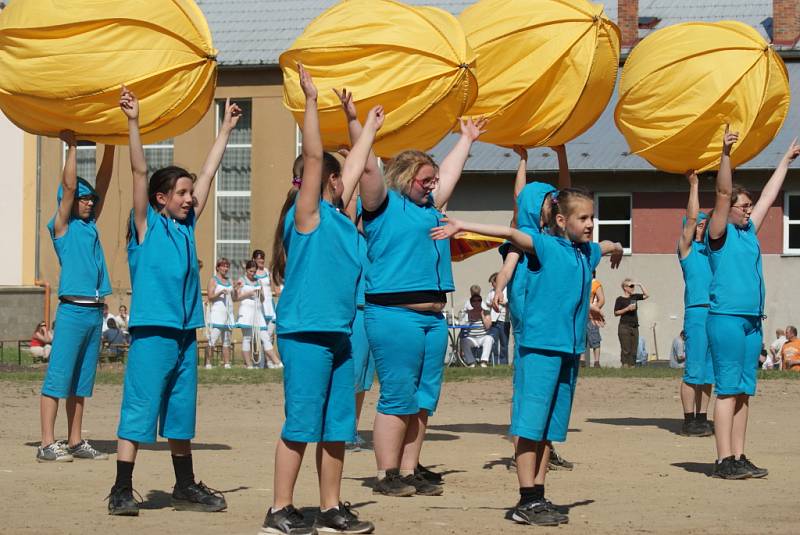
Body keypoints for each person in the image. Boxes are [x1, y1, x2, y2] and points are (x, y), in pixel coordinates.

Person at [431, 187, 623, 526]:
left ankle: (539, 493)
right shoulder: (546, 246)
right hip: (539, 349)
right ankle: (525, 499)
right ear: (562, 220)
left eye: (593, 217)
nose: (591, 223)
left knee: (547, 428)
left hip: (569, 351)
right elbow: (509, 233)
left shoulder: (585, 253)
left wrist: (617, 247)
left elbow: (603, 248)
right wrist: (462, 225)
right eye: (584, 218)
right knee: (529, 425)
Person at [108, 86, 240, 515]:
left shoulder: (185, 229)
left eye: (190, 194)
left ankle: (184, 486)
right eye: (181, 194)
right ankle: (121, 490)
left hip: (185, 335)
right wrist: (133, 122)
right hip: (152, 335)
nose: (189, 198)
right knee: (140, 410)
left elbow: (208, 171)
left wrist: (226, 129)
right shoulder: (146, 228)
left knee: (181, 415)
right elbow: (139, 171)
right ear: (161, 199)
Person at [259, 66, 380, 535]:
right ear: (323, 182)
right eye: (336, 176)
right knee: (301, 425)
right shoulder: (306, 217)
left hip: (340, 337)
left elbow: (349, 168)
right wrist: (311, 102)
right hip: (305, 336)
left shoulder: (343, 223)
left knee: (336, 429)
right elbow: (314, 156)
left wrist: (366, 125)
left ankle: (330, 509)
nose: (343, 181)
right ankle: (279, 510)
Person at [358, 105, 487, 497]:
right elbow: (366, 171)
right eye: (425, 180)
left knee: (423, 399)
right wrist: (364, 129)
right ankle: (386, 474)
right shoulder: (383, 206)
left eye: (433, 181)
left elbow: (448, 174)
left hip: (432, 318)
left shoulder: (430, 209)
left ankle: (410, 470)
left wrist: (466, 139)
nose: (433, 186)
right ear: (405, 178)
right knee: (397, 395)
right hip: (394, 315)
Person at [705, 125, 799, 479]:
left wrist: (785, 161)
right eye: (742, 206)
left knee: (744, 391)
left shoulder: (747, 232)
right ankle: (722, 460)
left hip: (750, 321)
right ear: (727, 209)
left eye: (748, 206)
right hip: (726, 318)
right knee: (728, 391)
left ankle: (739, 455)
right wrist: (725, 154)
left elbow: (770, 197)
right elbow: (724, 190)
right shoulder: (719, 231)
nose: (748, 210)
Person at [38, 130, 114, 463]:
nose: (88, 202)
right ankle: (45, 444)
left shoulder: (90, 224)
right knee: (58, 378)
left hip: (93, 312)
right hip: (71, 312)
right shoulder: (62, 227)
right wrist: (72, 147)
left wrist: (112, 145)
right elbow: (69, 187)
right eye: (83, 199)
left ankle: (75, 440)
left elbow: (105, 181)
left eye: (90, 199)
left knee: (81, 383)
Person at [677, 171, 715, 436]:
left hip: (717, 314)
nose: (702, 225)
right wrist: (695, 185)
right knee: (694, 371)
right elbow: (693, 218)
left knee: (710, 373)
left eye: (704, 223)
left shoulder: (713, 252)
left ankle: (702, 417)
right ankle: (689, 419)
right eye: (698, 223)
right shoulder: (686, 249)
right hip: (697, 314)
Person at [235, 260, 271, 369]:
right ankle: (249, 364)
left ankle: (271, 362)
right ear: (246, 270)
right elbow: (236, 298)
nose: (252, 273)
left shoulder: (258, 281)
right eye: (251, 271)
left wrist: (260, 295)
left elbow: (263, 298)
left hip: (257, 312)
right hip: (246, 312)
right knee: (247, 338)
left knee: (264, 336)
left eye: (254, 272)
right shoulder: (241, 280)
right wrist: (249, 294)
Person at [252, 249, 282, 369]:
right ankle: (258, 361)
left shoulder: (267, 272)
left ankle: (268, 362)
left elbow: (274, 287)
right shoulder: (252, 273)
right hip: (259, 307)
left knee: (270, 335)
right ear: (254, 259)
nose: (261, 260)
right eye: (258, 258)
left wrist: (279, 290)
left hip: (269, 305)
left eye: (262, 258)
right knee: (258, 336)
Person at [205, 257, 235, 369]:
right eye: (223, 266)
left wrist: (236, 289)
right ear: (218, 267)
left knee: (227, 340)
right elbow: (210, 297)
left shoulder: (229, 281)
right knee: (212, 339)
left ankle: (227, 363)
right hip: (217, 315)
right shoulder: (213, 280)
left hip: (228, 314)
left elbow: (234, 297)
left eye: (227, 266)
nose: (225, 268)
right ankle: (208, 362)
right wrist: (220, 292)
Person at [614, 279, 649, 367]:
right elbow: (616, 313)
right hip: (624, 326)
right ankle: (625, 365)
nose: (633, 288)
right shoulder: (620, 299)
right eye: (631, 286)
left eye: (633, 286)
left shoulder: (634, 297)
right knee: (626, 348)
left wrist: (640, 284)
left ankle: (632, 366)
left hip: (634, 326)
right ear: (625, 288)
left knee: (634, 348)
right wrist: (627, 309)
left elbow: (647, 295)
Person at [461, 285, 494, 367]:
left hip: (483, 336)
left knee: (489, 339)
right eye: (474, 301)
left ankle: (484, 361)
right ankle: (471, 362)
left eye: (478, 300)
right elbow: (462, 324)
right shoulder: (467, 311)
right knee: (463, 341)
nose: (476, 302)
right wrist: (468, 317)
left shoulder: (485, 310)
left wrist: (482, 315)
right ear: (471, 302)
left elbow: (488, 326)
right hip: (471, 337)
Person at [484, 273, 509, 364]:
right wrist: (492, 303)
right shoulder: (491, 292)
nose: (492, 285)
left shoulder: (506, 290)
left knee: (504, 343)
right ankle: (493, 362)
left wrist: (499, 302)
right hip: (494, 320)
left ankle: (503, 362)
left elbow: (508, 302)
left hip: (504, 320)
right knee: (493, 342)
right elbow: (487, 303)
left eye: (493, 282)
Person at [585, 272, 605, 368]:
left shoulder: (595, 283)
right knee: (582, 339)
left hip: (591, 317)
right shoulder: (582, 281)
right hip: (581, 316)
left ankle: (596, 362)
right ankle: (581, 362)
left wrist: (594, 311)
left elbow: (601, 300)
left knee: (595, 338)